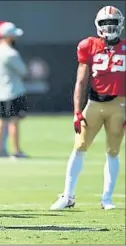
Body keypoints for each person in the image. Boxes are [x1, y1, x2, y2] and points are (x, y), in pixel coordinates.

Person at [50, 6, 125, 211]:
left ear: (121, 24)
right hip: (93, 104)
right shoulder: (88, 45)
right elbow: (81, 81)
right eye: (105, 23)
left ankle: (107, 198)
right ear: (97, 25)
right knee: (79, 147)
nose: (109, 27)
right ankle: (68, 196)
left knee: (113, 151)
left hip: (119, 104)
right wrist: (77, 110)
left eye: (113, 23)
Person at [0, 21, 29, 159]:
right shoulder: (11, 53)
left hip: (2, 91)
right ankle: (16, 151)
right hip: (13, 91)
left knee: (2, 121)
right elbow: (23, 71)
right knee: (14, 121)